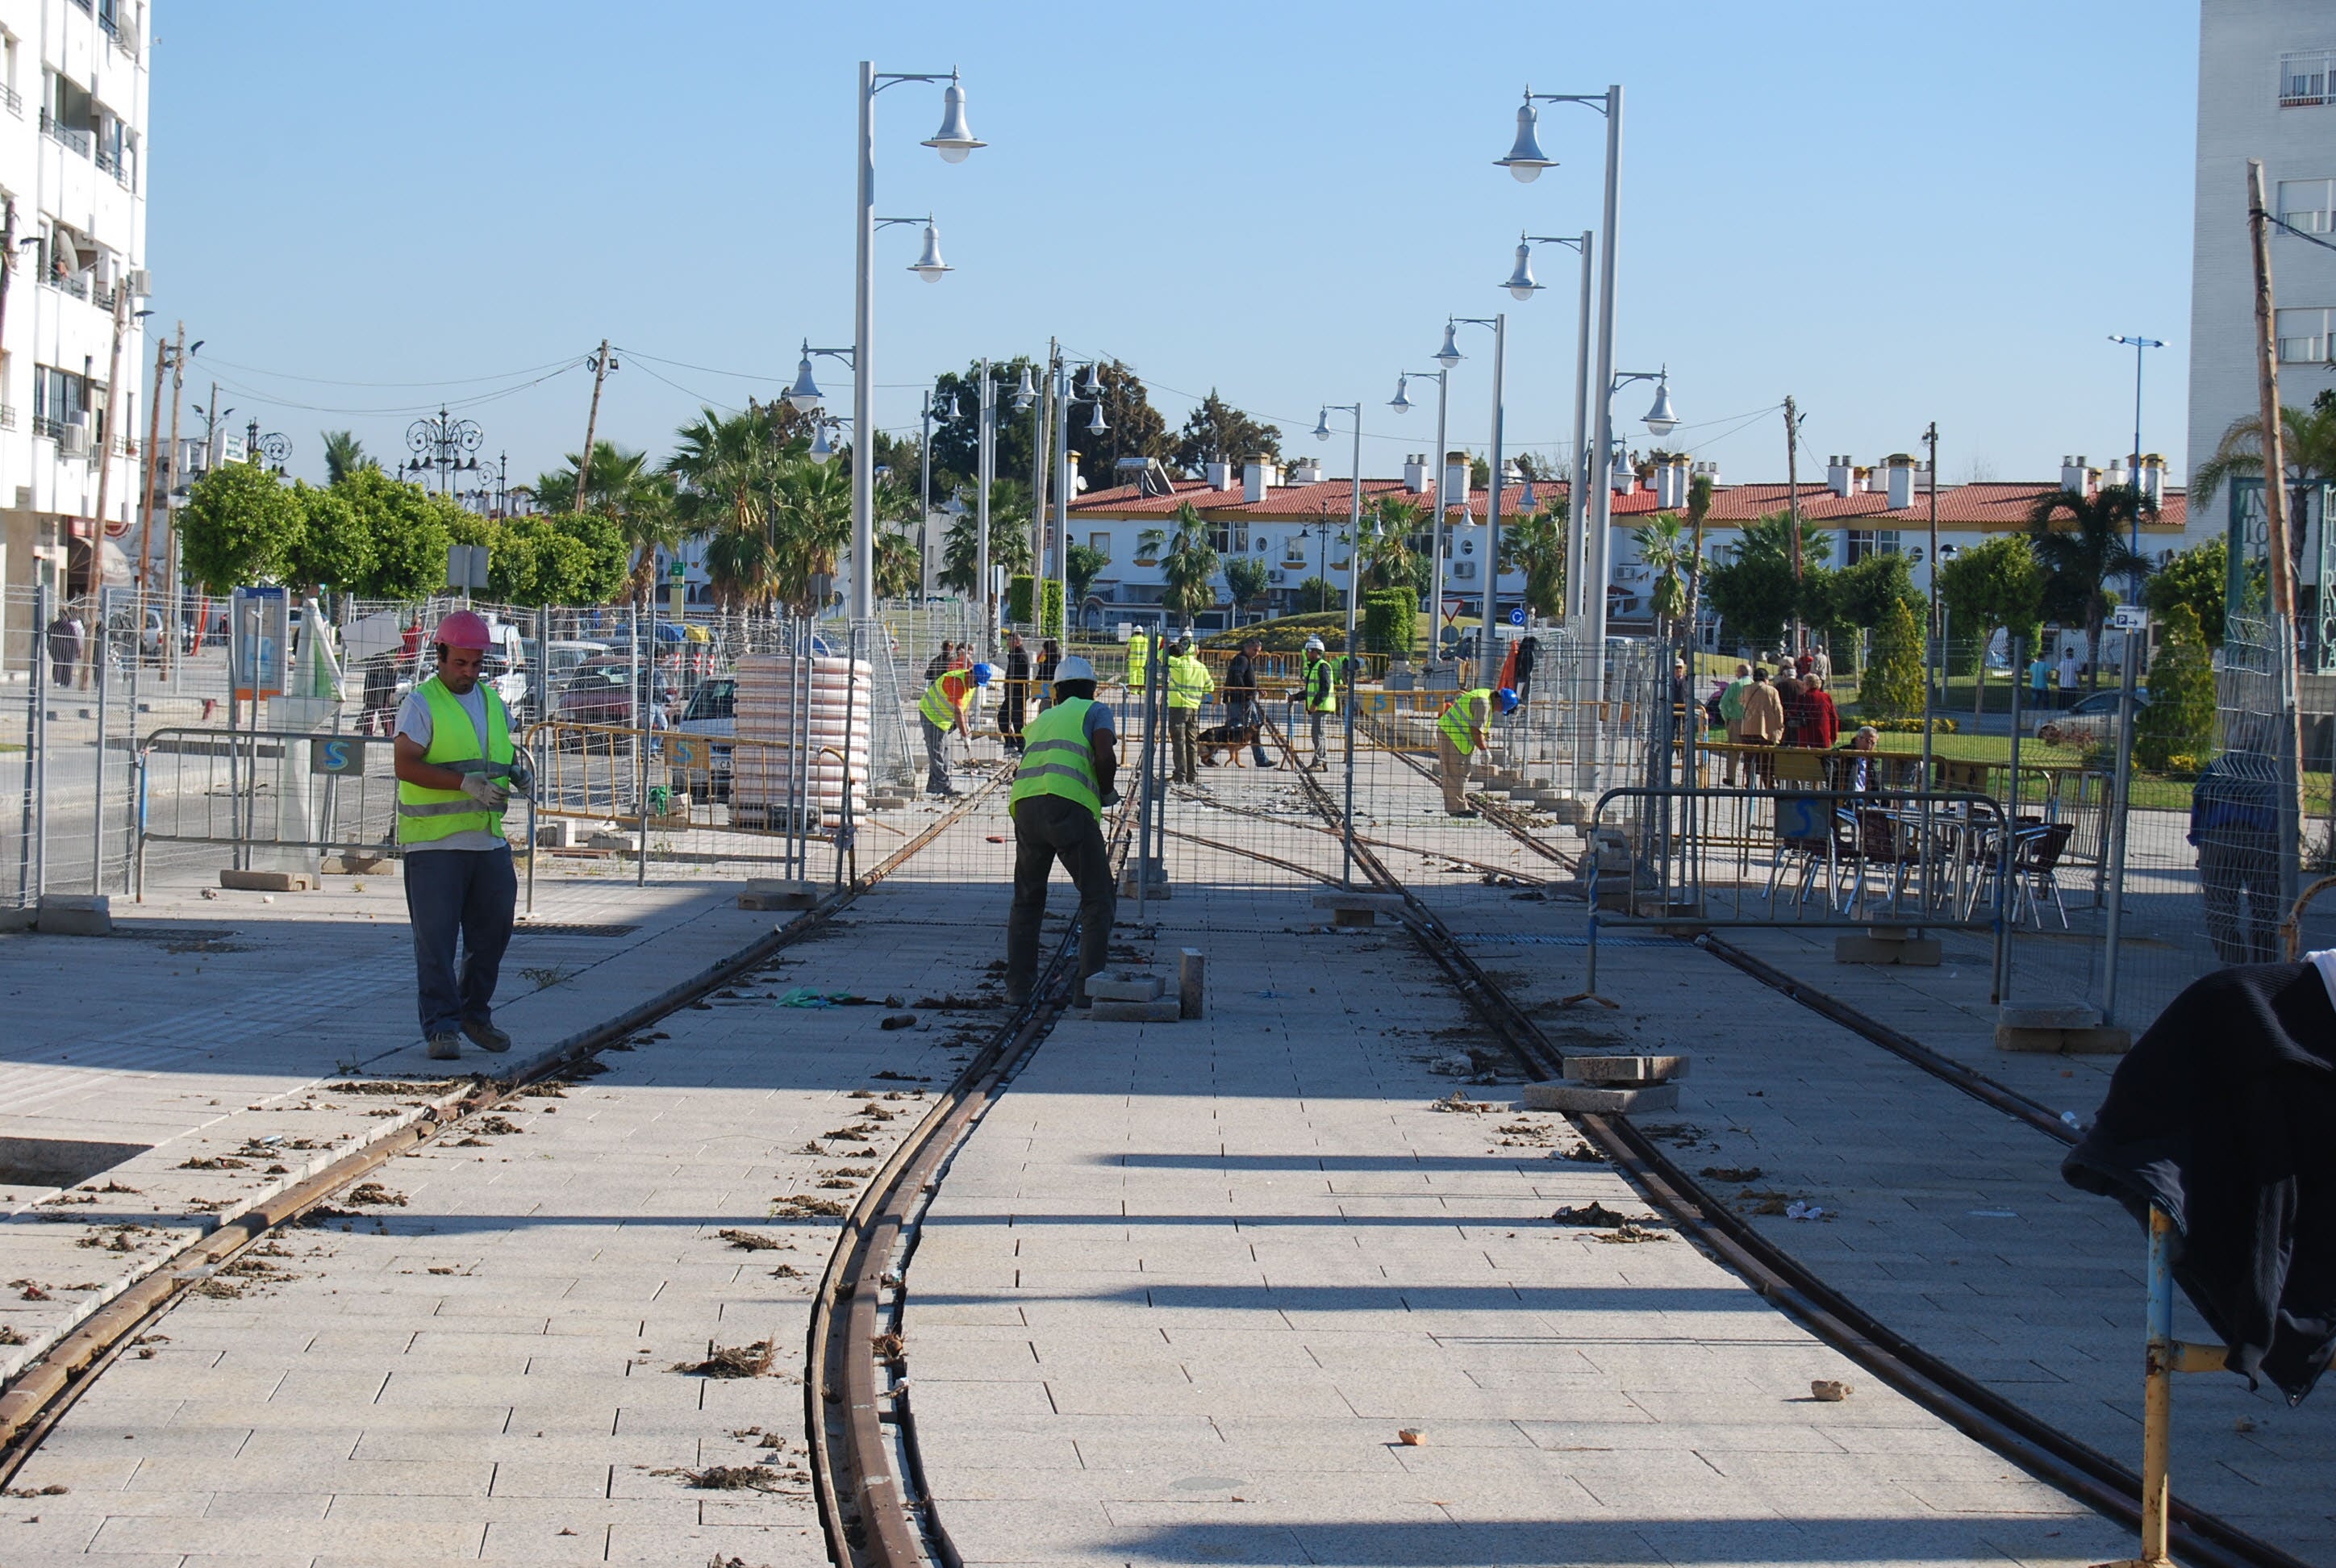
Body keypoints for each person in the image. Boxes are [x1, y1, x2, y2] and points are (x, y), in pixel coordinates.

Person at [393, 611, 530, 1061]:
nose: (468, 672)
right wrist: (463, 784)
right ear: (441, 656)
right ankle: (442, 1028)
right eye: (459, 663)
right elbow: (405, 764)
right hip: (434, 845)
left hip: (487, 841)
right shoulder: (421, 704)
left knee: (493, 933)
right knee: (436, 942)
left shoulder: (492, 702)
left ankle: (474, 1014)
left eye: (475, 664)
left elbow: (499, 753)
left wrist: (517, 772)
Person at [1004, 654, 1118, 1008]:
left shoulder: (1044, 718)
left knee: (1027, 899)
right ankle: (1087, 989)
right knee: (1098, 896)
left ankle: (1017, 989)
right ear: (1092, 688)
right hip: (1067, 806)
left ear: (1056, 691)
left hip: (1026, 806)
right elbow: (1104, 755)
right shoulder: (1095, 710)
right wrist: (1106, 790)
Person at [2188, 736, 2281, 964]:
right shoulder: (2273, 771)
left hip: (2219, 838)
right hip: (2263, 840)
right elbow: (2287, 812)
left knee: (2220, 907)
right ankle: (2263, 965)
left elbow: (2199, 803)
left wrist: (2199, 841)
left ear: (2232, 743)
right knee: (2266, 908)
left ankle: (2234, 961)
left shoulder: (2217, 768)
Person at [1434, 686, 1516, 816]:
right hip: (1452, 735)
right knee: (1454, 774)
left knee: (1461, 773)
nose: (1500, 711)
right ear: (1499, 700)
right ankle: (1457, 809)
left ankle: (1458, 806)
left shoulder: (1485, 696)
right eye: (1502, 708)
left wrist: (1485, 734)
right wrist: (1484, 750)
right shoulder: (1484, 703)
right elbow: (1476, 730)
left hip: (1456, 736)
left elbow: (1474, 723)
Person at [918, 659, 993, 797]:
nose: (976, 686)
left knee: (943, 751)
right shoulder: (956, 682)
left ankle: (933, 786)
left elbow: (965, 706)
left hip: (942, 719)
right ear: (971, 673)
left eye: (978, 684)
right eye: (976, 682)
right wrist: (965, 735)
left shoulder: (970, 684)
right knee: (937, 753)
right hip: (931, 714)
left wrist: (966, 725)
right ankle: (944, 786)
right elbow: (958, 711)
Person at [1166, 636, 1213, 784]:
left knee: (1179, 742)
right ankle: (1192, 776)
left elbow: (1161, 656)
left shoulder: (1177, 663)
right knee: (1192, 743)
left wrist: (1169, 644)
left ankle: (1180, 775)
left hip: (1178, 707)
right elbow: (1210, 687)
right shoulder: (1201, 667)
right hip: (1194, 708)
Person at [1223, 637, 1274, 768]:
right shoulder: (1242, 660)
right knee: (1250, 727)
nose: (1257, 653)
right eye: (1255, 650)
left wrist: (1257, 688)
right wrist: (1246, 692)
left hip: (1240, 699)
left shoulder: (1243, 659)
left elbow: (1247, 679)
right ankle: (1261, 759)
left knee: (1233, 728)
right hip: (1241, 700)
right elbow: (1237, 677)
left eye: (1259, 651)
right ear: (1248, 648)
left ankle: (1212, 753)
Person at [1738, 665, 1784, 785]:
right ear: (1766, 679)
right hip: (1764, 730)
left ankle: (1749, 783)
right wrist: (1780, 726)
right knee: (1765, 762)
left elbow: (1741, 702)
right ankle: (1768, 785)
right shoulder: (1772, 691)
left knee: (1748, 760)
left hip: (1747, 729)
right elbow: (1778, 710)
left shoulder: (1746, 689)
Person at [1299, 636, 1337, 770]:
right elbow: (1311, 689)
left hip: (1321, 706)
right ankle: (1322, 760)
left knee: (1318, 734)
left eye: (1309, 651)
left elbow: (1325, 688)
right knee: (1319, 734)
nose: (1307, 654)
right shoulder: (1315, 667)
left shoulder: (1322, 666)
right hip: (1319, 707)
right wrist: (1296, 697)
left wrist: (1315, 703)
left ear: (1316, 652)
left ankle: (1319, 762)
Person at [1718, 662, 1752, 785]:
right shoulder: (1754, 685)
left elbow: (1723, 704)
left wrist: (1727, 717)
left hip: (1736, 720)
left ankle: (1731, 777)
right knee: (1750, 751)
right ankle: (1750, 778)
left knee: (1733, 750)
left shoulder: (1735, 685)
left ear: (1740, 672)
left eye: (1737, 672)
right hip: (1751, 722)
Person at [999, 632, 1030, 756]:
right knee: (1003, 717)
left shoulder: (1020, 656)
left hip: (1018, 693)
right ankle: (1011, 742)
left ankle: (1022, 747)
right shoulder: (1013, 655)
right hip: (1011, 694)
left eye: (1010, 641)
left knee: (1018, 720)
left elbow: (1020, 676)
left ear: (1017, 642)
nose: (1007, 643)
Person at [1801, 673, 1842, 749]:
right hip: (1823, 734)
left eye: (1803, 684)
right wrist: (1834, 737)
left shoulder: (1803, 698)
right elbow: (1834, 717)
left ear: (1807, 684)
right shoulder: (1826, 697)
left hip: (1806, 736)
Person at [45, 608, 81, 688]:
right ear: (67, 616)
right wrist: (77, 650)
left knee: (57, 664)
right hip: (68, 649)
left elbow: (47, 637)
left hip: (55, 648)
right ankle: (66, 683)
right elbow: (74, 640)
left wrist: (48, 647)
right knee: (68, 665)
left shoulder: (53, 626)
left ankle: (57, 681)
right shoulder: (70, 627)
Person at [1845, 725, 1883, 794]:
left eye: (1873, 743)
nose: (1870, 746)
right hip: (1848, 797)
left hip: (1868, 797)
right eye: (1868, 741)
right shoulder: (1844, 754)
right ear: (1857, 739)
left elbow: (1878, 785)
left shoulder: (1873, 760)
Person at [1124, 626, 1150, 713]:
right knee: (1141, 675)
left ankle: (1133, 690)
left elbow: (1128, 649)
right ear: (1142, 632)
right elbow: (1148, 650)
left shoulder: (1131, 640)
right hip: (1142, 661)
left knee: (1133, 675)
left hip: (1133, 660)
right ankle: (1141, 690)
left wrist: (1126, 657)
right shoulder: (1145, 640)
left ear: (1134, 632)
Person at [2057, 646, 2081, 710]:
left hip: (2063, 684)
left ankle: (2061, 711)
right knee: (2071, 701)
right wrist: (2079, 684)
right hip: (2072, 685)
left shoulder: (2062, 662)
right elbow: (2078, 674)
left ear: (2066, 653)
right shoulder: (2076, 662)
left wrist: (2058, 683)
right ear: (2073, 653)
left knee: (2062, 702)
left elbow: (2058, 673)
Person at [2028, 648, 2051, 712]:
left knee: (2034, 703)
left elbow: (2030, 676)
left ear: (2038, 657)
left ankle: (2033, 715)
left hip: (2034, 686)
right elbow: (2048, 676)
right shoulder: (2046, 665)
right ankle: (2045, 715)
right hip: (2043, 686)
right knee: (2045, 703)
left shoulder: (2033, 665)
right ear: (2044, 657)